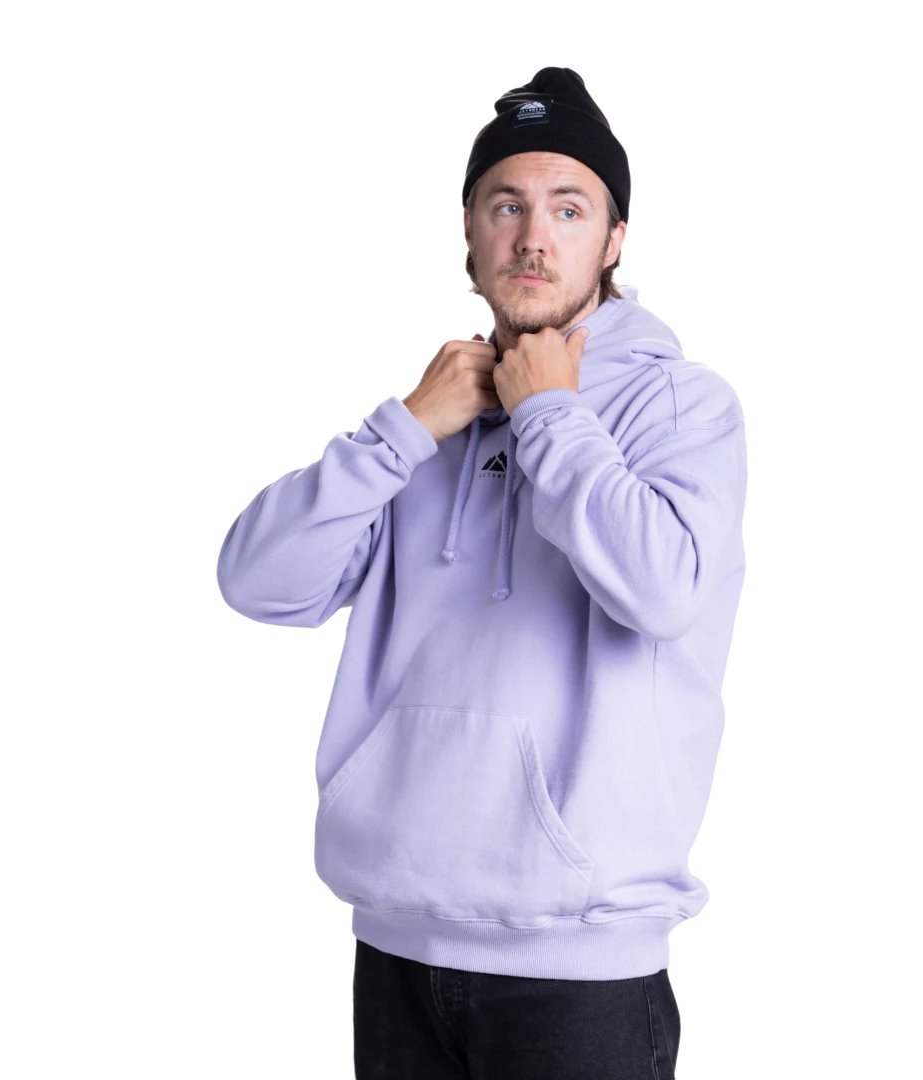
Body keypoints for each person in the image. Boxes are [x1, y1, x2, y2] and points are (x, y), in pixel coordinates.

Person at [217, 66, 747, 1079]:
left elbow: (664, 588)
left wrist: (552, 415)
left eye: (568, 208)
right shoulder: (429, 425)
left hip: (582, 967)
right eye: (507, 205)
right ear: (469, 230)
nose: (534, 237)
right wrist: (404, 430)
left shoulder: (682, 407)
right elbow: (258, 581)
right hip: (396, 943)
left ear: (615, 238)